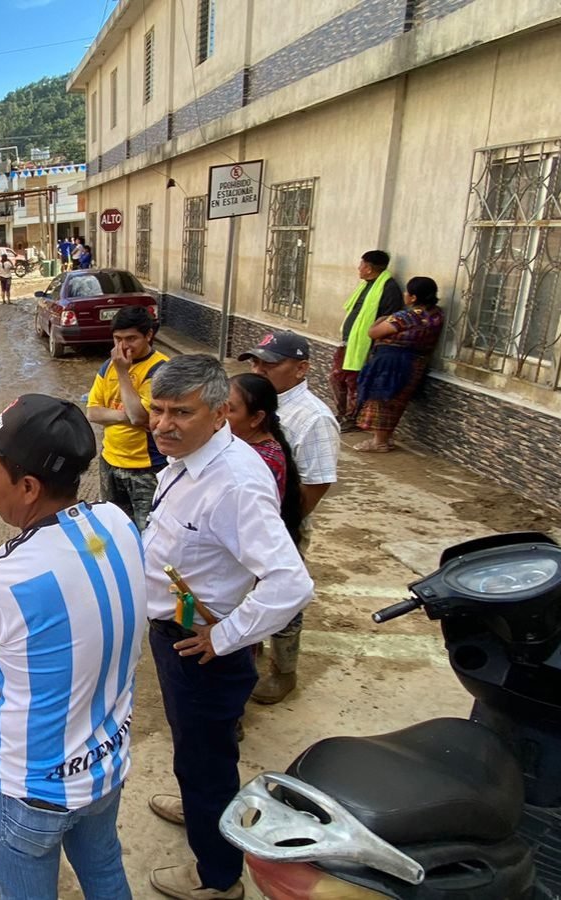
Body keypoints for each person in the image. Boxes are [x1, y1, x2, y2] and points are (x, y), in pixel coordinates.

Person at [0, 394, 146, 899]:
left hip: (27, 794)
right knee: (106, 873)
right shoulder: (115, 523)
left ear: (28, 487)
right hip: (103, 768)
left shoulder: (0, 579)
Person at [139, 356, 314, 900]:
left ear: (219, 415)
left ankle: (218, 879)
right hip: (177, 635)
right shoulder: (190, 459)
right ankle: (198, 807)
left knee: (208, 761)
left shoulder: (234, 483)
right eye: (158, 410)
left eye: (180, 413)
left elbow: (290, 582)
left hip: (203, 649)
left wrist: (226, 634)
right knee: (197, 749)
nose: (163, 424)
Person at [236, 331, 338, 704]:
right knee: (245, 592)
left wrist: (284, 526)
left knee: (283, 594)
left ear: (301, 369)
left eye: (270, 364)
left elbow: (317, 482)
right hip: (248, 524)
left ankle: (284, 671)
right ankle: (252, 647)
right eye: (255, 362)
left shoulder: (312, 418)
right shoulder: (252, 403)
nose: (259, 370)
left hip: (281, 525)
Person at [86, 306, 172, 532]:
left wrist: (123, 373)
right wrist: (128, 415)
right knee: (116, 529)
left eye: (131, 338)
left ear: (149, 335)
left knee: (150, 533)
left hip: (147, 467)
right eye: (117, 339)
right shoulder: (108, 366)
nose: (123, 346)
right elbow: (93, 412)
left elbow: (138, 416)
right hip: (110, 461)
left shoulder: (161, 370)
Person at [353, 276, 445, 452]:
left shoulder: (406, 317)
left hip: (392, 362)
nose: (404, 294)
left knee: (383, 399)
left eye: (407, 292)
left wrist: (382, 319)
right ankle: (384, 439)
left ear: (413, 297)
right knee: (397, 401)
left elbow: (373, 332)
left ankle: (378, 442)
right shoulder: (436, 314)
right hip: (415, 362)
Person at [227, 374, 304, 546]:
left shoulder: (258, 462)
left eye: (229, 410)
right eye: (218, 406)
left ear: (256, 418)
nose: (218, 414)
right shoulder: (239, 446)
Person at [333, 250, 404, 431]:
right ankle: (341, 414)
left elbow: (388, 319)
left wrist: (374, 346)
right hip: (348, 342)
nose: (359, 268)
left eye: (362, 265)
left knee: (354, 383)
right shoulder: (366, 285)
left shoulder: (389, 289)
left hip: (365, 346)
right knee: (336, 378)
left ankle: (352, 418)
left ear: (369, 268)